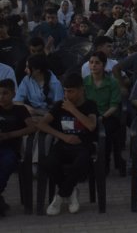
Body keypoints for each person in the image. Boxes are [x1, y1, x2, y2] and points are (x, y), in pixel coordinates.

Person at [38, 73, 98, 216]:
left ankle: (59, 197)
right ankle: (71, 192)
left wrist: (73, 110)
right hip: (63, 145)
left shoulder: (90, 105)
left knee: (82, 162)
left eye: (71, 91)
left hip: (83, 145)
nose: (67, 94)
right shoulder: (60, 105)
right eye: (65, 91)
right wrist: (63, 136)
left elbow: (91, 126)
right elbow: (41, 124)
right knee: (48, 163)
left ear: (81, 90)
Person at [83, 51, 124, 176]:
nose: (93, 65)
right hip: (89, 116)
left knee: (105, 133)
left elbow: (114, 105)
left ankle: (104, 163)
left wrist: (102, 117)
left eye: (97, 63)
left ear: (104, 65)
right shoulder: (85, 82)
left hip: (108, 116)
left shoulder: (112, 82)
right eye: (91, 62)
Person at [0, 79, 34, 216]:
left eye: (5, 93)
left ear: (13, 94)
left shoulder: (20, 110)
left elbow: (32, 128)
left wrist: (10, 135)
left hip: (11, 150)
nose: (1, 97)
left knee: (7, 161)